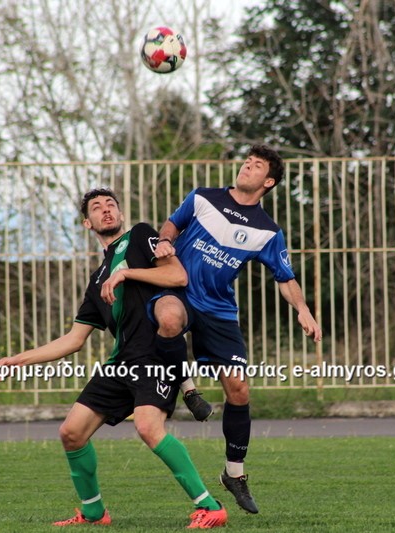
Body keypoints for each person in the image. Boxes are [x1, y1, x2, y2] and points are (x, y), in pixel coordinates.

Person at [0, 188, 227, 529]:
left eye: (111, 205)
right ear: (87, 223)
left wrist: (127, 273)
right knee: (71, 433)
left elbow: (177, 276)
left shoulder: (141, 237)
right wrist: (15, 360)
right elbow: (73, 340)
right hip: (121, 363)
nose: (106, 210)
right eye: (97, 208)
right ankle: (94, 513)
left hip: (154, 354)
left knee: (148, 428)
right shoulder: (98, 280)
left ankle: (210, 507)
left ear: (120, 214)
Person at [151, 144, 323, 514]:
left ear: (268, 182)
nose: (247, 166)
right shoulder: (202, 197)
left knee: (240, 391)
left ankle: (234, 474)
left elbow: (285, 277)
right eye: (247, 161)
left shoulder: (268, 231)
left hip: (220, 310)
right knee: (168, 319)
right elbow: (172, 224)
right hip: (180, 292)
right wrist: (165, 240)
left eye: (256, 165)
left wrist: (303, 309)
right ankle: (188, 388)